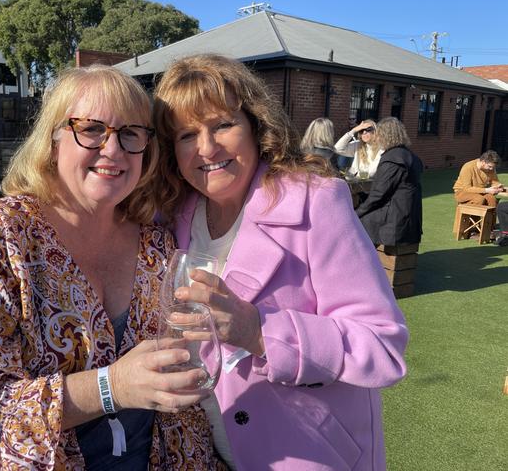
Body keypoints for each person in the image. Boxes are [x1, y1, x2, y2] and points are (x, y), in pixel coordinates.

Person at [0, 65, 225, 470]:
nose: (113, 150)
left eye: (131, 133)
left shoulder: (157, 244)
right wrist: (110, 386)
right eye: (92, 129)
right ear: (54, 139)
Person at [152, 54, 408, 470]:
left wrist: (259, 332)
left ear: (256, 125)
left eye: (222, 124)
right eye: (186, 135)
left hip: (308, 455)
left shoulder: (316, 201)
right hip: (206, 452)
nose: (207, 148)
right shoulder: (174, 213)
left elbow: (383, 345)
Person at [356, 117, 423, 247]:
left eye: (379, 134)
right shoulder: (411, 156)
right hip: (408, 216)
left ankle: (361, 263)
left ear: (385, 136)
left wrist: (357, 212)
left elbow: (379, 195)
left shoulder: (392, 159)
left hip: (396, 219)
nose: (377, 138)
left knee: (356, 223)